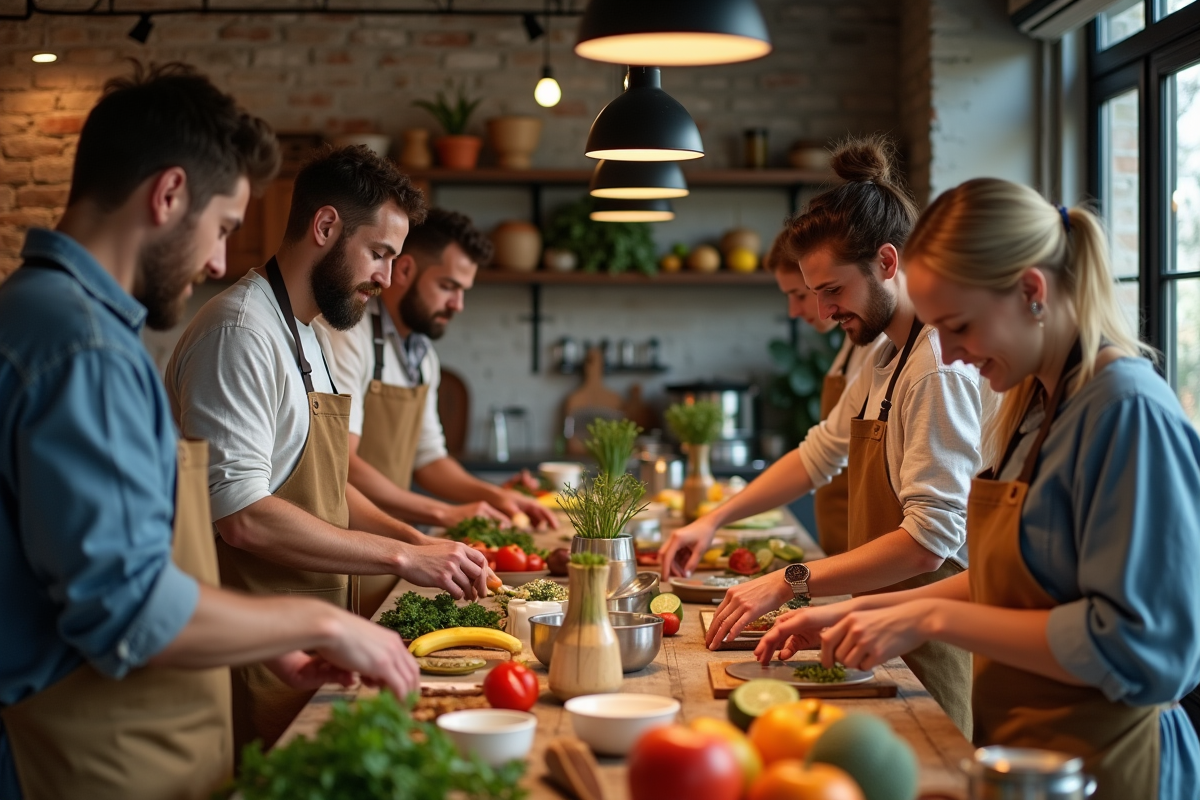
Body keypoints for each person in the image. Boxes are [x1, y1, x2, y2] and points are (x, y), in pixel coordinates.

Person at [0, 63, 420, 800]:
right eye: (223, 227)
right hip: (68, 750)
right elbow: (125, 610)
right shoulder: (85, 350)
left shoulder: (34, 312)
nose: (222, 260)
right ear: (168, 195)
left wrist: (274, 635)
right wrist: (322, 623)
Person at [756, 178, 1200, 799]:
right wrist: (861, 609)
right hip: (1023, 761)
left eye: (960, 326)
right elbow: (1012, 577)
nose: (954, 355)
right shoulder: (1031, 405)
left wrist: (930, 613)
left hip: (1108, 769)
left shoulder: (1125, 412)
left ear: (1031, 292)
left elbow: (1142, 649)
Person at [165, 145, 488, 754]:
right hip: (256, 649)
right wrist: (398, 556)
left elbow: (328, 489)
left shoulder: (309, 336)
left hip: (314, 641)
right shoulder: (241, 333)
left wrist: (421, 543)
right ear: (325, 227)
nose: (388, 278)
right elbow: (243, 518)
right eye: (380, 253)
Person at [659, 136, 987, 735]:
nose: (824, 311)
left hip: (927, 654)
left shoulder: (937, 369)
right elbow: (818, 453)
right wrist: (713, 521)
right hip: (876, 633)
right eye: (815, 294)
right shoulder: (883, 353)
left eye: (831, 291)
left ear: (887, 263)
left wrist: (791, 579)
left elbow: (928, 541)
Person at [320, 207, 556, 615]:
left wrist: (497, 497)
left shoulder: (422, 355)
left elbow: (429, 460)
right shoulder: (350, 337)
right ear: (406, 270)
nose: (458, 304)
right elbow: (345, 464)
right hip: (350, 542)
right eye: (448, 285)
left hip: (398, 545)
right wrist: (443, 511)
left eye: (464, 289)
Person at [764, 230, 883, 557]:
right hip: (847, 551)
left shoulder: (899, 354)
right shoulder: (854, 343)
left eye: (800, 294)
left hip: (873, 559)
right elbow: (824, 449)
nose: (795, 311)